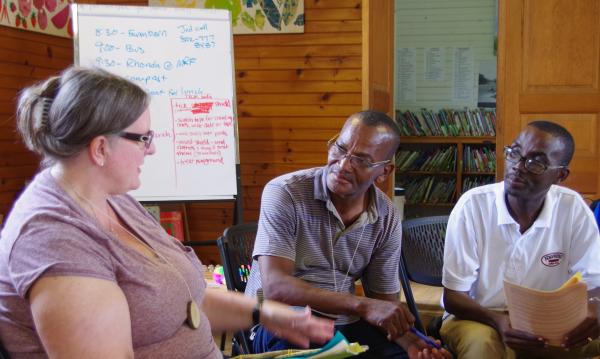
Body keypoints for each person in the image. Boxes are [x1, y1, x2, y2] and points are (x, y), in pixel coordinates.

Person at [0, 66, 334, 358]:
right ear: (101, 148)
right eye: (144, 138)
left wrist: (270, 315)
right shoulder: (54, 238)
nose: (153, 148)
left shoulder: (113, 199)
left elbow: (186, 302)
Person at [244, 111, 451, 359]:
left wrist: (412, 344)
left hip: (346, 323)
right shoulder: (286, 193)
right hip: (281, 319)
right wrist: (362, 306)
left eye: (361, 160)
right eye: (340, 149)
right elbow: (276, 286)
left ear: (384, 171)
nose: (343, 165)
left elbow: (382, 302)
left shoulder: (386, 216)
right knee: (327, 347)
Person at [441, 121, 600, 358]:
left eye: (536, 162)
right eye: (514, 153)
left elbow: (593, 285)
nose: (518, 166)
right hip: (478, 316)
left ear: (560, 175)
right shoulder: (473, 206)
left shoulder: (573, 208)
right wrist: (500, 322)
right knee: (482, 346)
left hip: (548, 322)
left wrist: (595, 310)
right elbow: (453, 297)